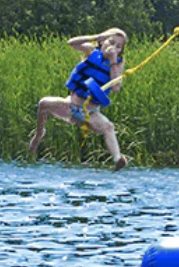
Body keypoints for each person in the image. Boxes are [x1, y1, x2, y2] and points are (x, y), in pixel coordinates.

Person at [29, 28, 129, 171]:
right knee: (43, 103)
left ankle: (118, 159)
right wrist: (97, 36)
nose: (113, 48)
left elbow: (116, 87)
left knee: (108, 127)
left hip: (90, 113)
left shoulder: (117, 63)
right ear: (102, 42)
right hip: (70, 106)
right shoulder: (91, 51)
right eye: (111, 42)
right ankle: (39, 133)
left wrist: (113, 61)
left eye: (118, 47)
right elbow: (72, 43)